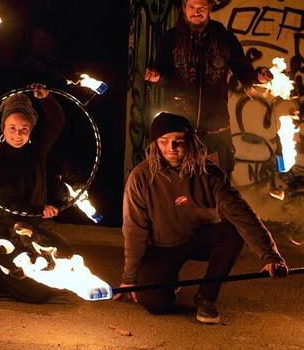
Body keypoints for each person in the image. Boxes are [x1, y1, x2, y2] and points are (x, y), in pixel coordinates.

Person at [117, 111, 288, 323]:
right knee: (157, 304)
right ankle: (168, 281)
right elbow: (135, 231)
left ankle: (206, 297)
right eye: (164, 142)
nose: (171, 148)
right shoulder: (140, 178)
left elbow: (241, 212)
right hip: (162, 247)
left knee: (233, 231)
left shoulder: (210, 173)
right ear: (154, 144)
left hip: (199, 239)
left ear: (190, 142)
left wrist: (270, 255)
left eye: (178, 141)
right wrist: (129, 277)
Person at [144, 0, 273, 175]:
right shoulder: (170, 39)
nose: (196, 12)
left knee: (216, 185)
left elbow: (243, 72)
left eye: (201, 7)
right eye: (192, 7)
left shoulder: (225, 38)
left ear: (209, 9)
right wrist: (156, 77)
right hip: (180, 129)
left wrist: (258, 76)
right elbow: (163, 76)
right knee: (181, 185)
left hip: (216, 131)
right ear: (184, 8)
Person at [0, 85, 66, 302]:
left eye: (24, 129)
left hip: (33, 227)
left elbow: (56, 122)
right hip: (5, 231)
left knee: (64, 255)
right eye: (12, 128)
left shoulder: (36, 152)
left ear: (31, 130)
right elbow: (0, 204)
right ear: (3, 129)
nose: (18, 135)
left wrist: (47, 99)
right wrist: (37, 209)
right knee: (36, 293)